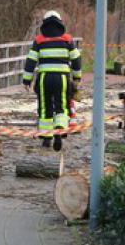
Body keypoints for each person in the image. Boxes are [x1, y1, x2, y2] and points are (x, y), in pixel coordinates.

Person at [22, 11, 82, 151]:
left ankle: (46, 138)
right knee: (62, 105)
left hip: (44, 78)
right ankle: (59, 132)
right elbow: (76, 59)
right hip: (62, 78)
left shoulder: (39, 40)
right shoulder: (67, 39)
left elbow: (31, 61)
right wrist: (77, 77)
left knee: (44, 107)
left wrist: (27, 80)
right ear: (60, 22)